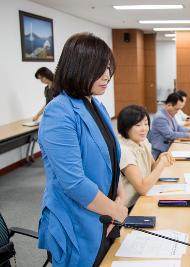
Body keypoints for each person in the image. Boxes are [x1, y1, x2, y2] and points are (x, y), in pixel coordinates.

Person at [37, 33, 128, 266]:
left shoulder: (95, 105)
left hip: (104, 214)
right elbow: (74, 182)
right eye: (99, 69)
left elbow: (111, 160)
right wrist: (116, 211)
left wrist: (119, 198)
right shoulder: (58, 112)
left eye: (108, 68)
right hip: (76, 221)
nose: (107, 75)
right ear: (78, 68)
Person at [117, 105, 174, 208]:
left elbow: (151, 169)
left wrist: (160, 158)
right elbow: (142, 189)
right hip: (130, 207)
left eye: (146, 124)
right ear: (125, 127)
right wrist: (161, 165)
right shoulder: (124, 150)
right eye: (138, 125)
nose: (144, 129)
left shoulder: (143, 141)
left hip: (143, 198)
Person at [150, 92, 190, 159]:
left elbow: (177, 127)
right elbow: (170, 134)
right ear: (169, 105)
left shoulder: (169, 113)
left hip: (170, 147)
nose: (177, 111)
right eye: (176, 109)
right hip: (160, 153)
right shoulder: (160, 117)